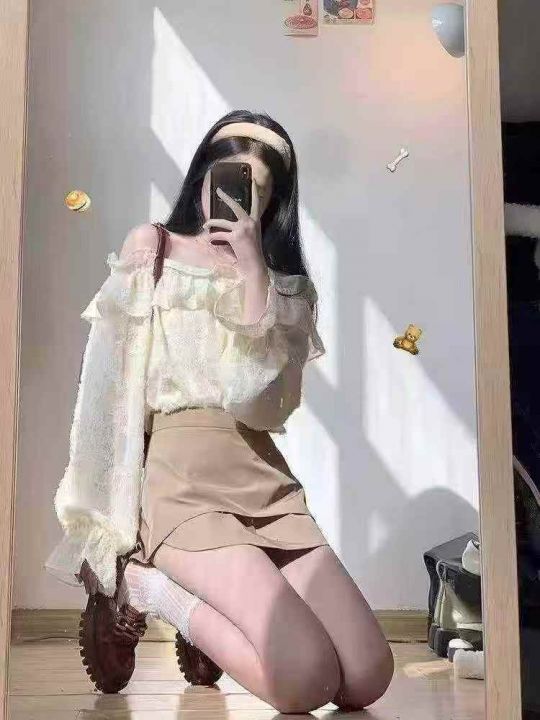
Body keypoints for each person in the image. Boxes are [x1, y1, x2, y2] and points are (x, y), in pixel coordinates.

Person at [45, 110, 394, 713]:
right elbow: (107, 392)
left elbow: (264, 404)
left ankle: (203, 608)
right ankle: (150, 588)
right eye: (227, 175)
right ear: (202, 175)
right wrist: (109, 525)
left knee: (367, 674)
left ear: (273, 201)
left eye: (257, 187)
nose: (235, 194)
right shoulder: (152, 249)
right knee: (305, 680)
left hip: (262, 479)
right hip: (180, 487)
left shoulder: (284, 287)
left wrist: (254, 275)